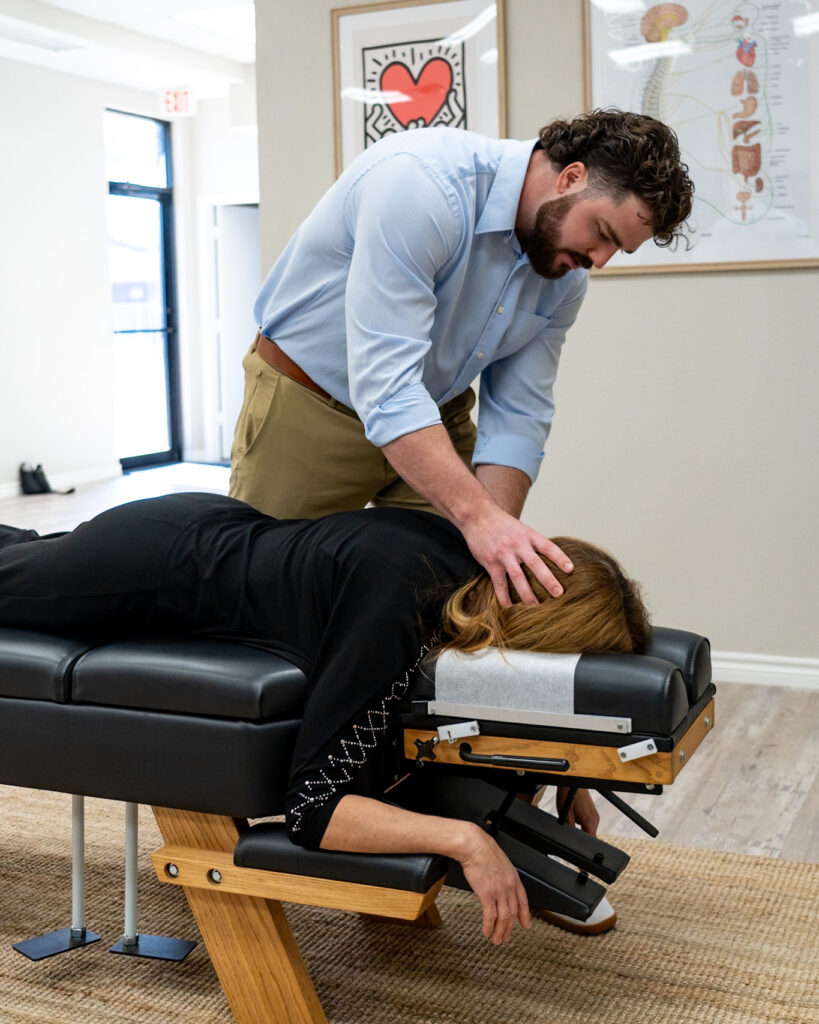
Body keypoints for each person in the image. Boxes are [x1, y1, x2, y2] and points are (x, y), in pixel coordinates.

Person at [0, 492, 649, 945]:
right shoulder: (397, 608)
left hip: (205, 527)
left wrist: (572, 770)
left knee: (21, 554)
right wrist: (464, 840)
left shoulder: (460, 568)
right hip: (152, 568)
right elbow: (315, 810)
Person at [229, 109, 693, 608]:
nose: (598, 261)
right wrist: (479, 519)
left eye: (616, 250)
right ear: (571, 177)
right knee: (262, 597)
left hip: (434, 419)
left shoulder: (564, 279)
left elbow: (518, 415)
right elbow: (387, 389)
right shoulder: (422, 187)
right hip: (310, 406)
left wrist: (494, 544)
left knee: (441, 603)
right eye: (601, 232)